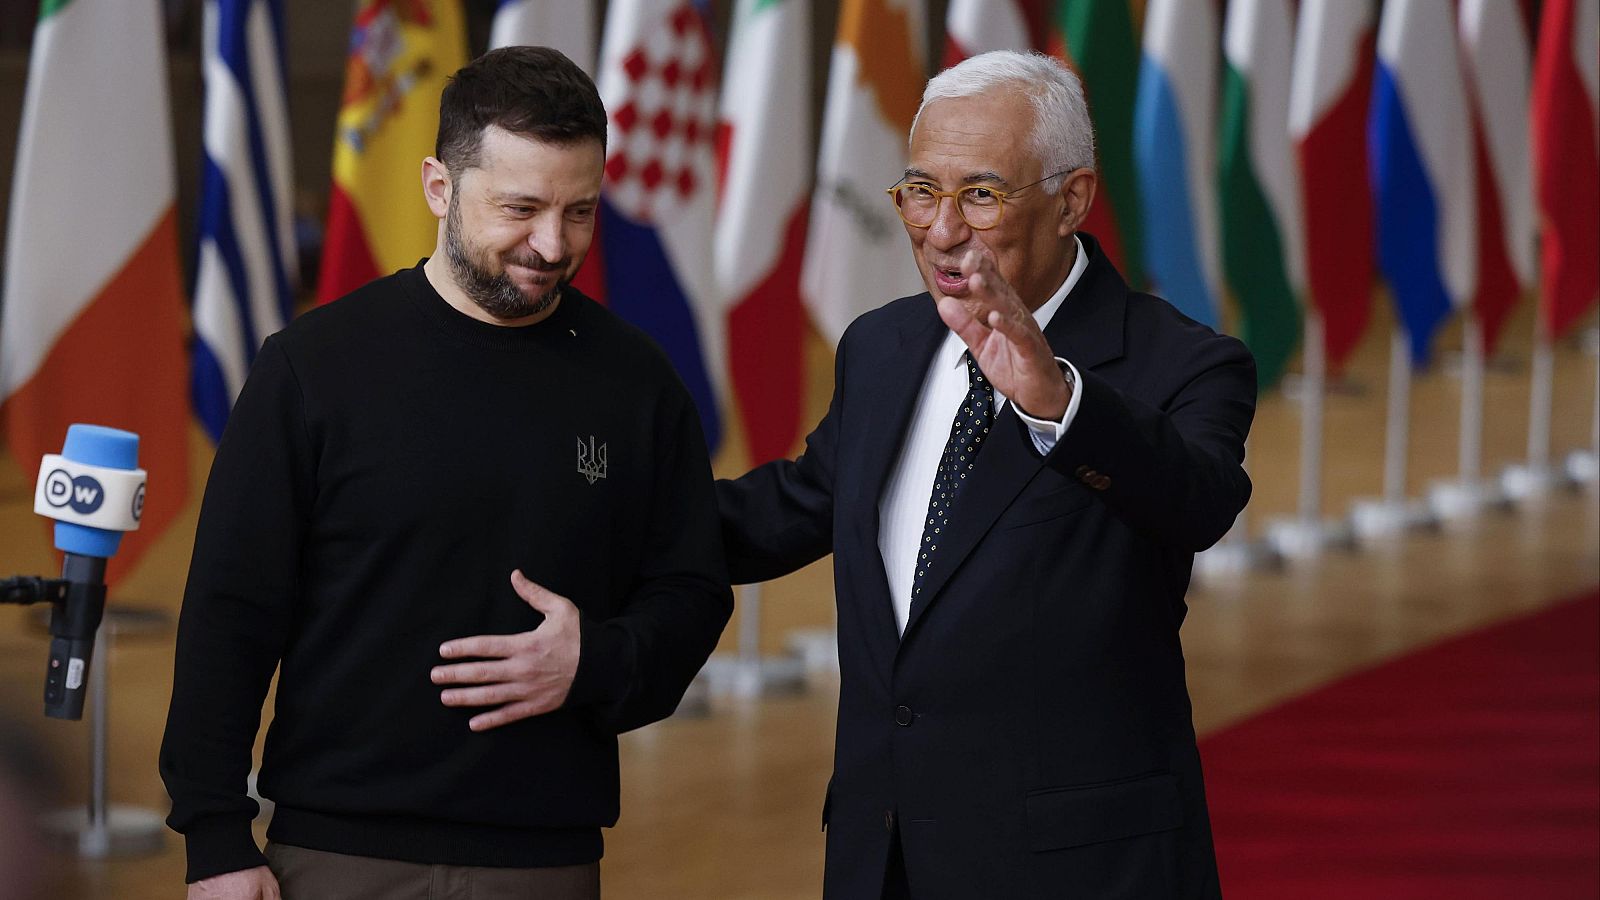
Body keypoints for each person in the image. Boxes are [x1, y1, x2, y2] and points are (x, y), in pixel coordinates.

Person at [161, 46, 732, 900]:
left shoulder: (636, 383)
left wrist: (599, 660)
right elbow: (230, 611)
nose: (552, 243)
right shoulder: (313, 369)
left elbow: (690, 591)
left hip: (546, 855)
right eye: (521, 207)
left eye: (580, 211)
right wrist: (215, 838)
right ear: (439, 187)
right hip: (334, 849)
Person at [718, 50, 1255, 899]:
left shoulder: (1182, 361)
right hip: (882, 858)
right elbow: (793, 506)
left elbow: (1199, 501)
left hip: (1078, 870)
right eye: (921, 190)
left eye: (979, 194)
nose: (939, 228)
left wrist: (1058, 400)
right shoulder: (884, 345)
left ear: (1071, 200)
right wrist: (588, 517)